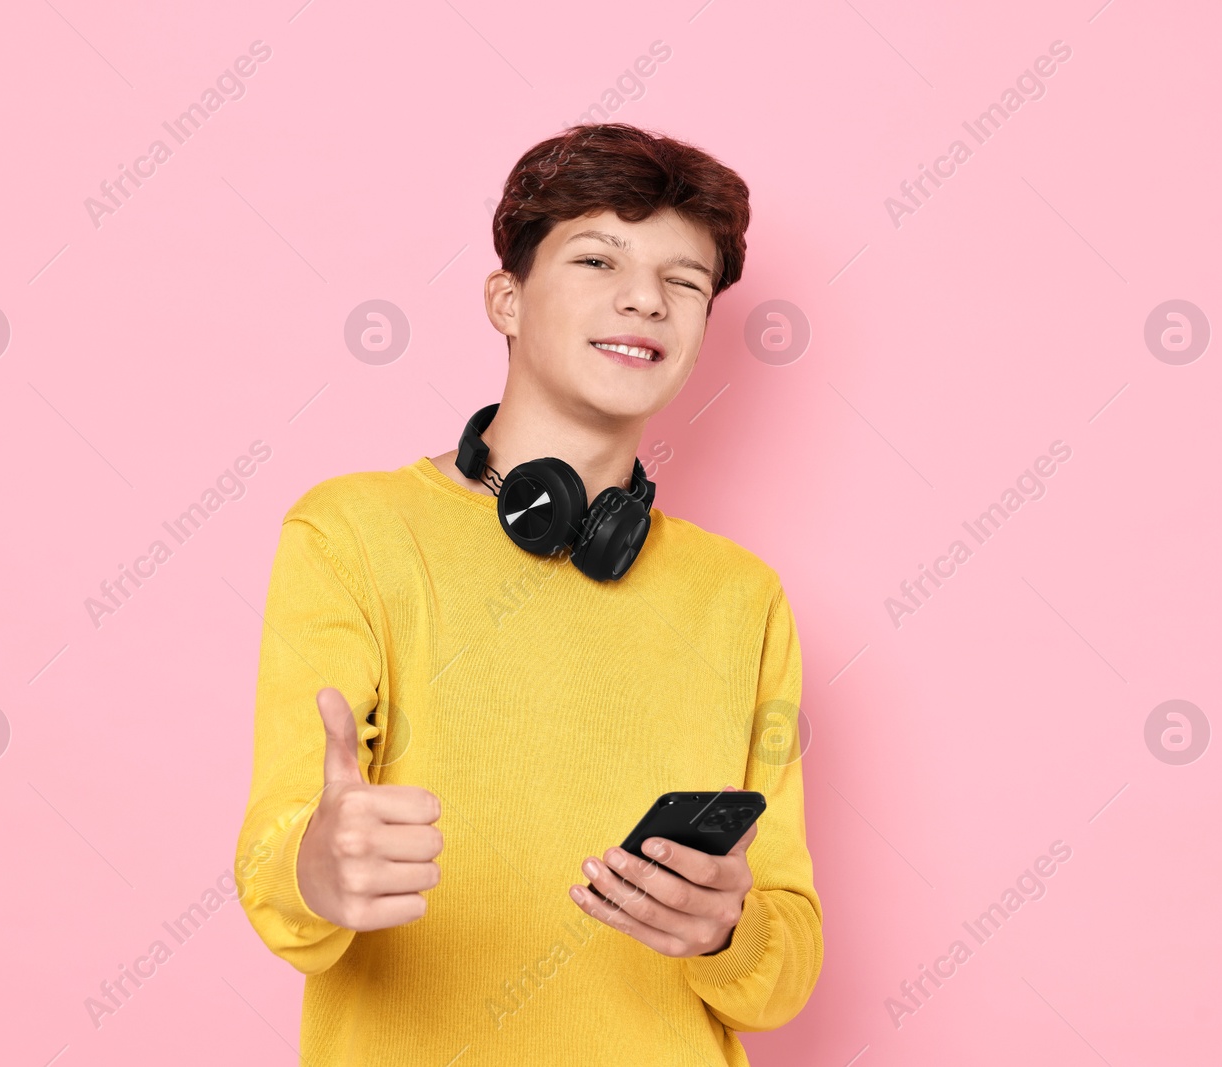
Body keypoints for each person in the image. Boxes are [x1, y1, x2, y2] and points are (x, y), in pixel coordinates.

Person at [235, 122, 822, 1066]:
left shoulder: (742, 595)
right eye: (598, 258)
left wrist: (728, 930)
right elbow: (277, 884)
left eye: (686, 281)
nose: (645, 299)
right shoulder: (350, 533)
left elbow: (785, 968)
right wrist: (318, 863)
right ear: (506, 299)